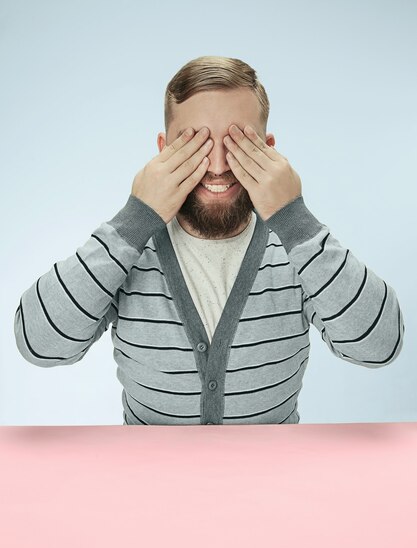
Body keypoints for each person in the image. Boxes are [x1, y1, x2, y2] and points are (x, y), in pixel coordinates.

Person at [14, 55, 405, 426]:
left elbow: (379, 346)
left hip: (279, 489)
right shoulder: (128, 252)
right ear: (162, 152)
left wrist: (294, 218)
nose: (217, 166)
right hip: (145, 490)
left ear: (269, 151)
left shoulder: (298, 252)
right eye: (194, 145)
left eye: (238, 144)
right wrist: (135, 218)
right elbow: (39, 343)